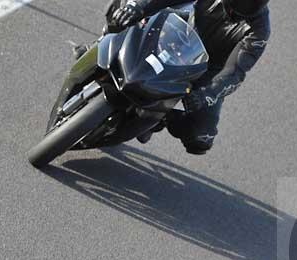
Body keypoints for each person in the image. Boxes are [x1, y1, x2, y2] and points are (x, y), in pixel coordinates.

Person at [99, 0, 270, 154]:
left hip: (207, 69)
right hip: (179, 31)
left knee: (201, 137)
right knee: (124, 10)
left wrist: (206, 94)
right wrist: (139, 7)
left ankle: (161, 117)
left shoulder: (259, 31)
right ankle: (100, 47)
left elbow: (234, 71)